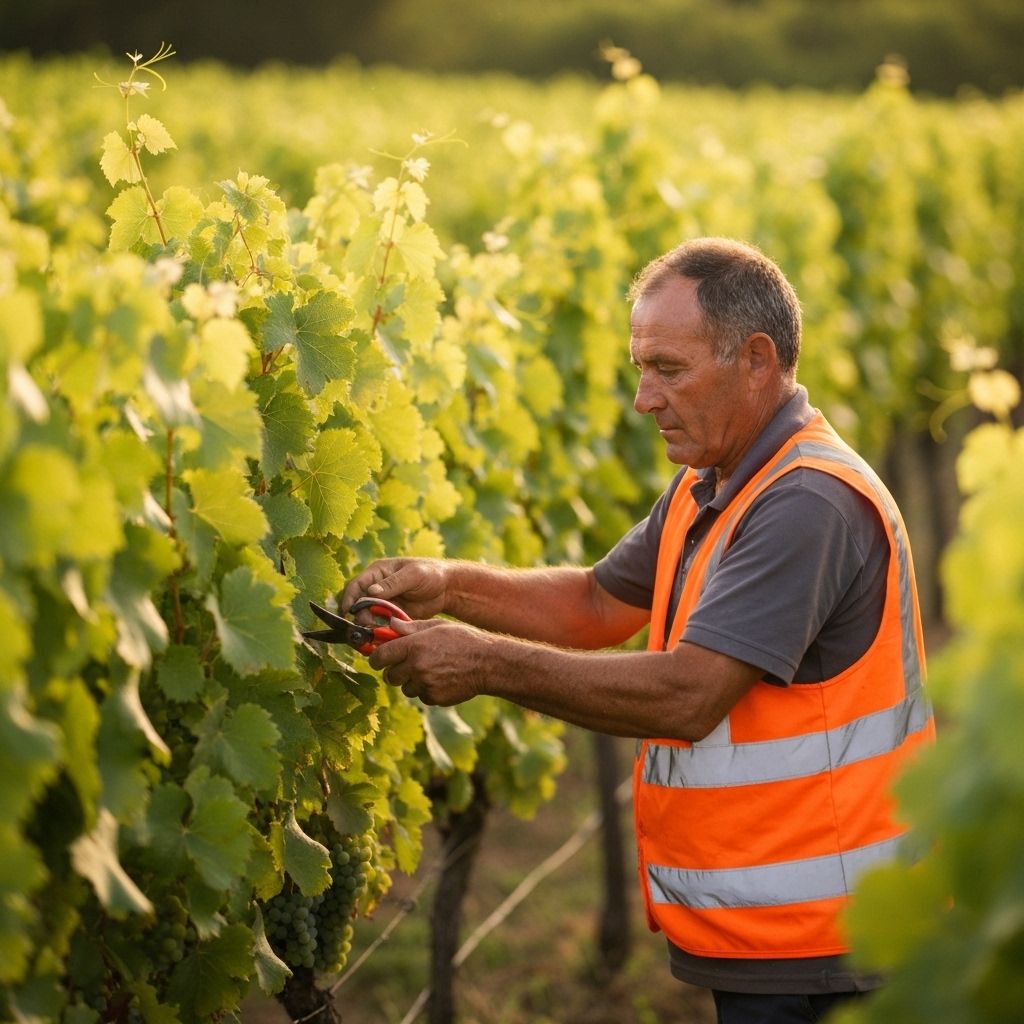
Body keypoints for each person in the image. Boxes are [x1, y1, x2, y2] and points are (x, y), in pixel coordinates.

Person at [340, 237, 936, 1024]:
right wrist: (447, 585)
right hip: (782, 934)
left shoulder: (807, 502)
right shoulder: (714, 483)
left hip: (832, 945)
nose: (643, 400)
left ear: (756, 361)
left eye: (669, 369)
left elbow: (689, 696)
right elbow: (592, 603)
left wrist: (484, 664)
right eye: (640, 370)